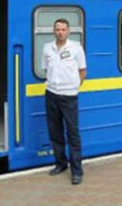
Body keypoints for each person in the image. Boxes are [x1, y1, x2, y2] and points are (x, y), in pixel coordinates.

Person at [42, 18, 87, 185]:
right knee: (55, 132)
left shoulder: (76, 48)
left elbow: (83, 70)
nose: (60, 32)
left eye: (63, 29)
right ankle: (61, 164)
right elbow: (46, 69)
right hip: (51, 94)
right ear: (54, 31)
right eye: (57, 29)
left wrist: (74, 87)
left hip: (69, 97)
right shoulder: (47, 48)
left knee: (72, 134)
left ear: (68, 31)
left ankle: (77, 171)